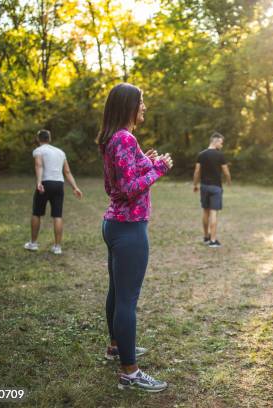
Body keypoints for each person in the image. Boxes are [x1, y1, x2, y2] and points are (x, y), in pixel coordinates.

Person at [96, 83, 173, 393]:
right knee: (127, 300)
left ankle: (116, 347)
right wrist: (160, 169)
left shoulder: (112, 138)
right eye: (141, 102)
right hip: (129, 228)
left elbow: (123, 178)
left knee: (117, 292)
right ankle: (130, 372)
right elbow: (131, 188)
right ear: (129, 105)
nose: (144, 107)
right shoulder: (126, 138)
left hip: (114, 224)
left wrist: (148, 162)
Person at [24, 129, 82, 254]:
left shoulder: (38, 151)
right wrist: (75, 187)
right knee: (57, 215)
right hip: (58, 184)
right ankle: (57, 247)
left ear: (38, 139)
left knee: (36, 213)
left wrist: (39, 182)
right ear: (49, 139)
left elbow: (39, 166)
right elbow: (67, 172)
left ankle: (33, 244)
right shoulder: (60, 152)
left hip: (45, 183)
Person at [192, 132, 231, 247]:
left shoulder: (201, 155)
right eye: (221, 143)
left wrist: (195, 185)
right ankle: (213, 241)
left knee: (205, 211)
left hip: (204, 186)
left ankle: (206, 237)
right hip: (216, 187)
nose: (222, 145)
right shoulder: (220, 156)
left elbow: (197, 171)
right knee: (213, 213)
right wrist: (228, 181)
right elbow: (226, 171)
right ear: (216, 141)